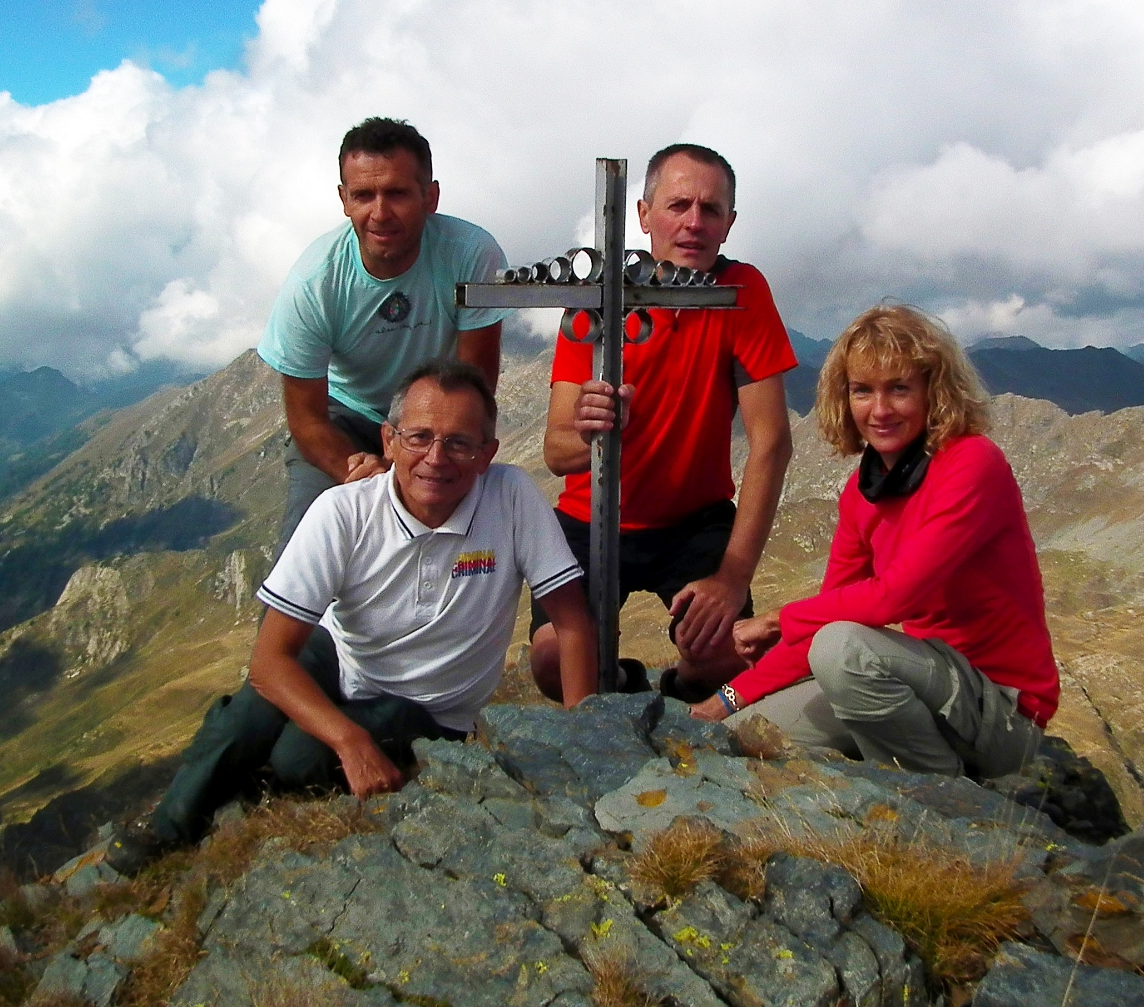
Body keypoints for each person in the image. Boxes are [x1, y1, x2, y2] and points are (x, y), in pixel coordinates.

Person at [110, 359, 596, 868]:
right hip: (345, 661)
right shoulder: (343, 511)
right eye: (418, 436)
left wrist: (582, 741)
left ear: (486, 454)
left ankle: (269, 778)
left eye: (458, 442)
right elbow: (270, 661)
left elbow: (571, 623)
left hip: (431, 710)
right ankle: (169, 830)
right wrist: (350, 739)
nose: (436, 458)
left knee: (297, 756)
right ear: (388, 441)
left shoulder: (512, 497)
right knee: (253, 710)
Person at [689, 304, 1058, 781]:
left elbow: (896, 596)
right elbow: (827, 616)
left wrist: (779, 619)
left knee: (840, 649)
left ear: (933, 390)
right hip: (923, 688)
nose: (879, 410)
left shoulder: (972, 463)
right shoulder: (863, 492)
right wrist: (725, 700)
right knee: (746, 736)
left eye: (899, 388)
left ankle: (938, 799)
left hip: (1002, 710)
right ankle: (908, 769)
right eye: (863, 390)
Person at [531, 144, 796, 703]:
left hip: (692, 522)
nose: (694, 222)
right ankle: (625, 688)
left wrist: (732, 578)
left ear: (729, 224)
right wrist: (596, 435)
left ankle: (680, 692)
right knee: (555, 660)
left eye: (711, 209)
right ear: (644, 214)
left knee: (729, 657)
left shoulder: (741, 293)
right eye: (678, 205)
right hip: (589, 515)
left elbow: (771, 442)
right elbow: (558, 453)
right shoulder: (593, 297)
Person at [258, 118, 509, 554]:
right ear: (343, 200)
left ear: (430, 197)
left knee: (472, 539)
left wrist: (425, 449)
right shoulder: (314, 281)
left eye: (396, 193)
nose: (379, 212)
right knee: (306, 547)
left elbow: (476, 382)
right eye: (362, 195)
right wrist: (358, 469)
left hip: (438, 412)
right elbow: (306, 418)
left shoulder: (471, 254)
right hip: (346, 416)